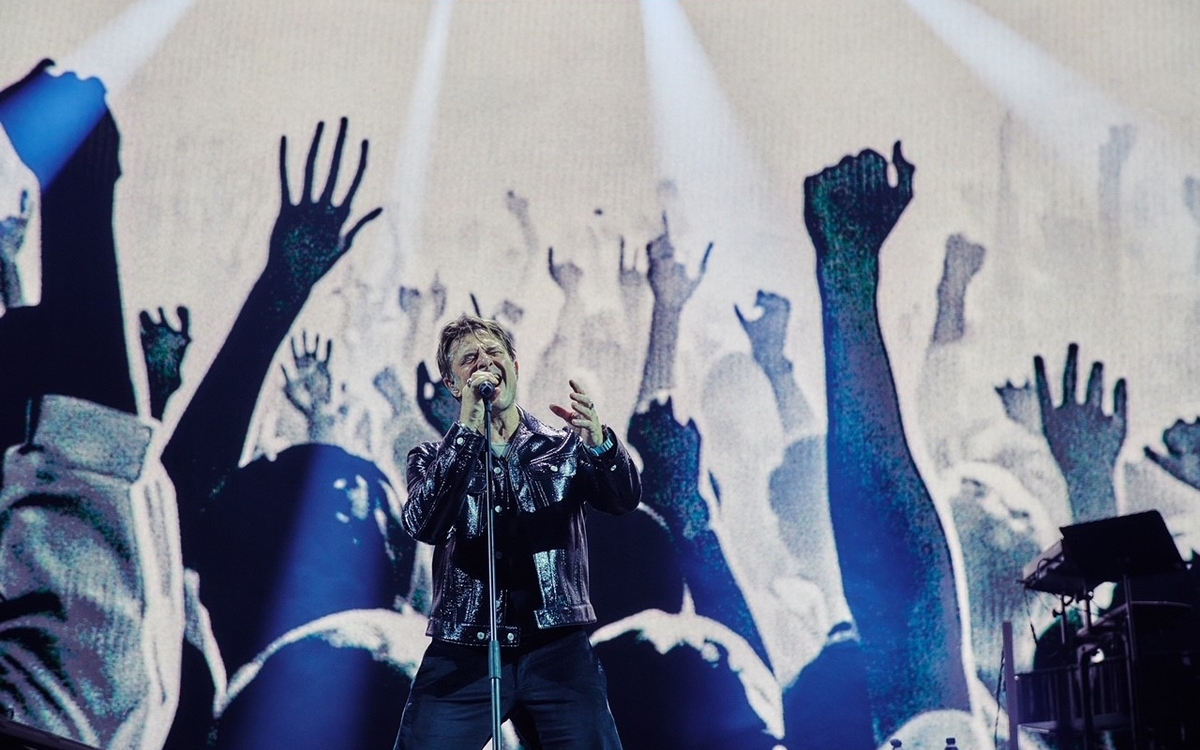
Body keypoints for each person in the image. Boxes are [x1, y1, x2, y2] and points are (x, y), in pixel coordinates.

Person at [394, 314, 642, 750]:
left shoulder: (563, 446)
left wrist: (602, 444)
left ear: (515, 366)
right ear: (454, 385)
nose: (484, 363)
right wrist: (468, 433)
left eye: (494, 353)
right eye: (468, 359)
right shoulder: (432, 457)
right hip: (464, 646)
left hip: (556, 648)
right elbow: (424, 524)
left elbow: (622, 499)